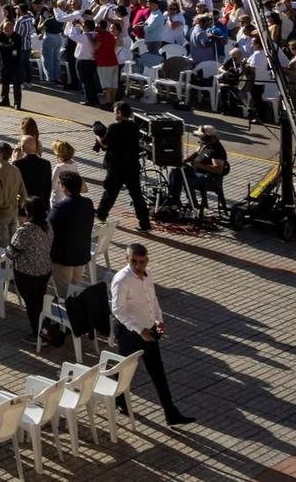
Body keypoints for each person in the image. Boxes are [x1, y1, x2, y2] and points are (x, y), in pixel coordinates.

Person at [109, 242, 194, 427]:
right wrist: (140, 331)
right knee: (126, 370)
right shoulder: (121, 279)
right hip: (130, 332)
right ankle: (119, 400)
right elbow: (117, 310)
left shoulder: (148, 275)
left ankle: (171, 413)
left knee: (158, 372)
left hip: (149, 329)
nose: (139, 266)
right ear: (127, 260)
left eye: (142, 262)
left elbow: (152, 300)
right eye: (134, 262)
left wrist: (159, 320)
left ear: (147, 260)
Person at [95, 101, 152, 232]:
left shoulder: (114, 127)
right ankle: (145, 224)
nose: (113, 112)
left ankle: (101, 215)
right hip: (132, 166)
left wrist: (97, 135)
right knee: (137, 195)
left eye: (114, 111)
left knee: (110, 193)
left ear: (119, 112)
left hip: (116, 167)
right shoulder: (134, 126)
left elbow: (104, 144)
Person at [6, 201, 55, 336]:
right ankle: (44, 328)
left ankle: (38, 334)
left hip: (27, 273)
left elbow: (11, 253)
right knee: (39, 300)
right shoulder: (48, 226)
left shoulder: (25, 230)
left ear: (29, 212)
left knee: (32, 305)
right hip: (45, 270)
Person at [48, 172, 95, 295]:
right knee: (75, 290)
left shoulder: (60, 208)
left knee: (64, 294)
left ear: (64, 187)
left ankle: (68, 314)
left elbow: (48, 228)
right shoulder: (88, 203)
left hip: (63, 257)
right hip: (81, 255)